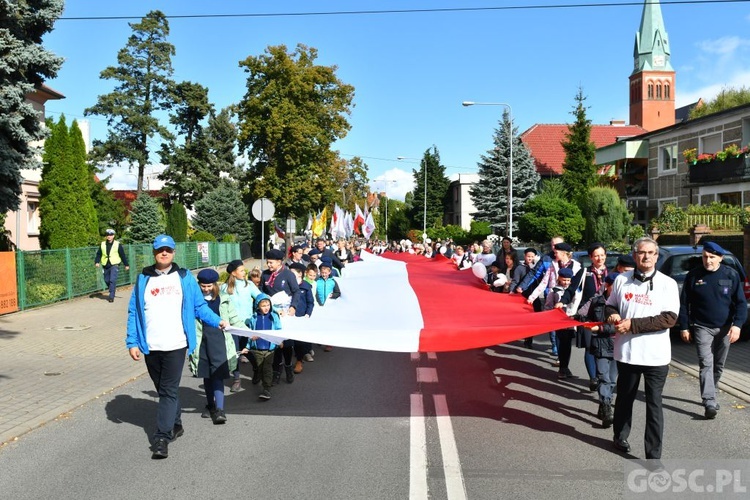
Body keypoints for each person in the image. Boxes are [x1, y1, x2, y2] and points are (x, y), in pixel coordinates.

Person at [126, 234, 228, 459]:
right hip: (150, 345)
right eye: (160, 250)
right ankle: (177, 423)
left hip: (176, 343)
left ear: (173, 253)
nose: (164, 253)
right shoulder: (143, 277)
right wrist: (132, 341)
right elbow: (134, 311)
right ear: (154, 252)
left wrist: (217, 320)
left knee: (169, 390)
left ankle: (162, 436)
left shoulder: (184, 277)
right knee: (163, 388)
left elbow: (199, 306)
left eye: (168, 250)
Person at [605, 237, 679, 460]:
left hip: (656, 356)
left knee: (654, 404)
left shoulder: (668, 284)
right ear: (634, 255)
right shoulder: (621, 280)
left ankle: (653, 455)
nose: (646, 257)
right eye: (641, 252)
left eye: (650, 253)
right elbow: (609, 304)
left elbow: (669, 318)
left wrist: (633, 325)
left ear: (657, 256)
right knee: (625, 398)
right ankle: (620, 436)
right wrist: (612, 315)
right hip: (627, 353)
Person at [678, 241, 747, 419]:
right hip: (702, 327)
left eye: (712, 257)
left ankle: (712, 390)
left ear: (720, 258)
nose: (708, 260)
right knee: (706, 363)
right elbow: (684, 304)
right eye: (705, 257)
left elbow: (741, 304)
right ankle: (709, 400)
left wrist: (738, 325)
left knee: (718, 365)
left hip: (725, 327)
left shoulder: (730, 274)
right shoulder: (693, 276)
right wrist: (685, 327)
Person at [190, 269, 246, 425]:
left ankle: (220, 409)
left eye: (209, 286)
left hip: (219, 339)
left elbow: (234, 318)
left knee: (217, 374)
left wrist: (248, 332)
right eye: (203, 286)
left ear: (215, 284)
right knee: (206, 375)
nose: (206, 289)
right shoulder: (194, 300)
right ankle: (210, 405)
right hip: (201, 339)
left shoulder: (224, 299)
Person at [559, 243, 609, 391]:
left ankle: (603, 377)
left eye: (602, 255)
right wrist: (562, 302)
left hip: (607, 315)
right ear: (591, 257)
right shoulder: (584, 272)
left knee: (606, 347)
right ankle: (593, 378)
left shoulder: (613, 273)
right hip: (587, 315)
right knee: (590, 347)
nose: (599, 258)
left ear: (605, 255)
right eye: (596, 256)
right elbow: (571, 290)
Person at [575, 272, 620, 428]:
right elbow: (583, 314)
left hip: (618, 345)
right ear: (607, 286)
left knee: (613, 379)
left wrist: (601, 327)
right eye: (615, 286)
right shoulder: (596, 302)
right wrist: (583, 321)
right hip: (600, 345)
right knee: (603, 377)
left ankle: (604, 403)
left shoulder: (624, 304)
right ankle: (607, 407)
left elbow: (624, 325)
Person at [220, 259, 261, 392]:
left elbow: (260, 296)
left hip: (246, 325)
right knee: (235, 352)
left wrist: (273, 305)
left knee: (247, 350)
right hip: (231, 327)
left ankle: (256, 369)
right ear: (233, 273)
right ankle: (236, 379)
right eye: (242, 270)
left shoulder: (248, 285)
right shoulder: (224, 288)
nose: (245, 272)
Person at [261, 248, 299, 384]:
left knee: (287, 344)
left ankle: (288, 367)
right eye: (267, 262)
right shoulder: (265, 275)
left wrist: (293, 306)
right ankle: (277, 370)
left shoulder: (288, 274)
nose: (269, 265)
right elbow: (261, 292)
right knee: (274, 343)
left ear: (279, 262)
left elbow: (296, 291)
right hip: (271, 313)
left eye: (271, 263)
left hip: (285, 313)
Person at [241, 294, 282, 401]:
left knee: (267, 368)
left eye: (268, 305)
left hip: (270, 349)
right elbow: (250, 334)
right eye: (263, 305)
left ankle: (266, 389)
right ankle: (258, 375)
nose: (266, 307)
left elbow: (278, 330)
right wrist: (247, 347)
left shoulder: (274, 316)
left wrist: (280, 341)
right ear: (257, 306)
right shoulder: (253, 318)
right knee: (260, 367)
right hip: (257, 349)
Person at [544, 267, 578, 379]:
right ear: (559, 278)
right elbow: (548, 306)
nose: (566, 282)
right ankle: (562, 368)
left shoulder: (574, 290)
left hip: (571, 320)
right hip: (559, 321)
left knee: (568, 345)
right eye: (564, 280)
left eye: (568, 280)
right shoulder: (553, 291)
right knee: (561, 344)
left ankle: (565, 367)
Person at [289, 262, 315, 373]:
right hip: (289, 317)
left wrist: (307, 314)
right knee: (288, 342)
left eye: (292, 274)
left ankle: (299, 361)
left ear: (300, 274)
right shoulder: (288, 286)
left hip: (301, 317)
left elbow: (310, 302)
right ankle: (287, 362)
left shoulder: (305, 286)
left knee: (299, 341)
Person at [94, 228, 129, 303]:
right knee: (106, 280)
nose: (109, 236)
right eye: (107, 235)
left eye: (111, 235)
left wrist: (126, 264)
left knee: (112, 280)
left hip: (114, 264)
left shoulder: (117, 244)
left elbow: (122, 255)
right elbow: (99, 254)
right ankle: (112, 289)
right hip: (105, 264)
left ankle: (111, 296)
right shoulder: (102, 244)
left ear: (113, 236)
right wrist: (97, 262)